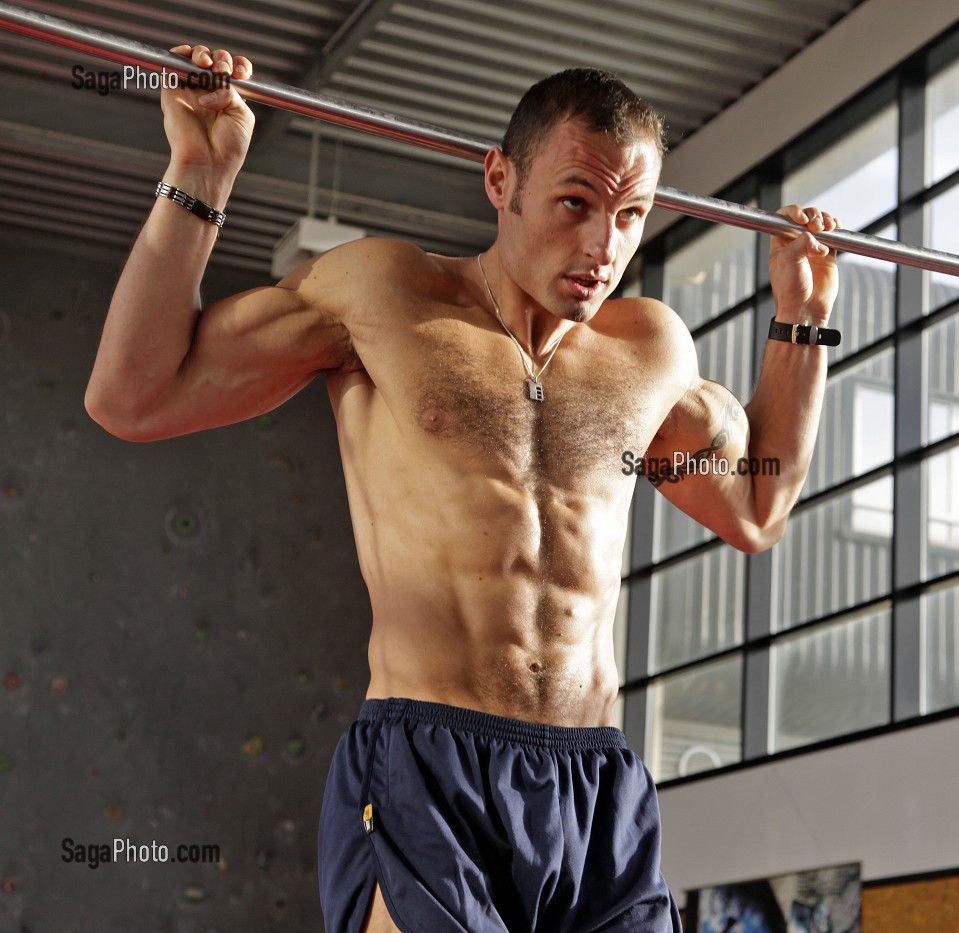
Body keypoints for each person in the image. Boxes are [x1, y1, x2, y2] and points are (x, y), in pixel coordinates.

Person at [84, 46, 843, 933]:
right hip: (426, 765)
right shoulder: (385, 294)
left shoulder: (650, 350)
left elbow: (756, 507)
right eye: (576, 203)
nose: (605, 246)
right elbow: (133, 396)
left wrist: (803, 321)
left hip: (594, 784)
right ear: (500, 179)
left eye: (631, 215)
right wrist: (200, 172)